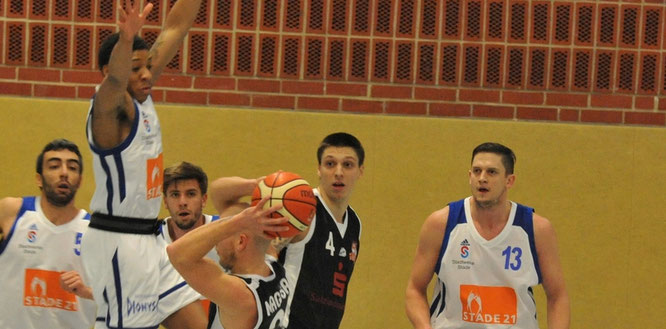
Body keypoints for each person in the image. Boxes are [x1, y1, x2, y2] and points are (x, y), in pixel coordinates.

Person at [80, 0, 207, 328]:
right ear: (111, 72)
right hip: (118, 244)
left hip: (149, 240)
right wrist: (125, 39)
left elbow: (176, 27)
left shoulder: (142, 91)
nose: (147, 73)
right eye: (136, 68)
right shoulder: (108, 113)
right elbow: (116, 80)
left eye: (148, 65)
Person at [405, 142, 570, 329]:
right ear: (469, 176)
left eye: (492, 172)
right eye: (477, 171)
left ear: (510, 180)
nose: (482, 178)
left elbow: (557, 296)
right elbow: (414, 289)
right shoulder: (441, 224)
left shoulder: (536, 229)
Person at [0, 139, 96, 329]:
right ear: (39, 179)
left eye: (72, 168)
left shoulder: (95, 230)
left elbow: (120, 294)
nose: (64, 173)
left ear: (80, 181)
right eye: (54, 166)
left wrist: (86, 291)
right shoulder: (12, 211)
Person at [167, 186, 291, 329]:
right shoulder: (272, 264)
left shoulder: (241, 296)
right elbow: (220, 195)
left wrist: (236, 222)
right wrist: (256, 185)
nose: (216, 244)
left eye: (223, 236)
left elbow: (177, 254)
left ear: (240, 242)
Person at [275, 132, 365, 329]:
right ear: (319, 169)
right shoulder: (301, 210)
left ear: (360, 171)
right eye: (330, 164)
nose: (338, 172)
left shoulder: (355, 224)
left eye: (347, 165)